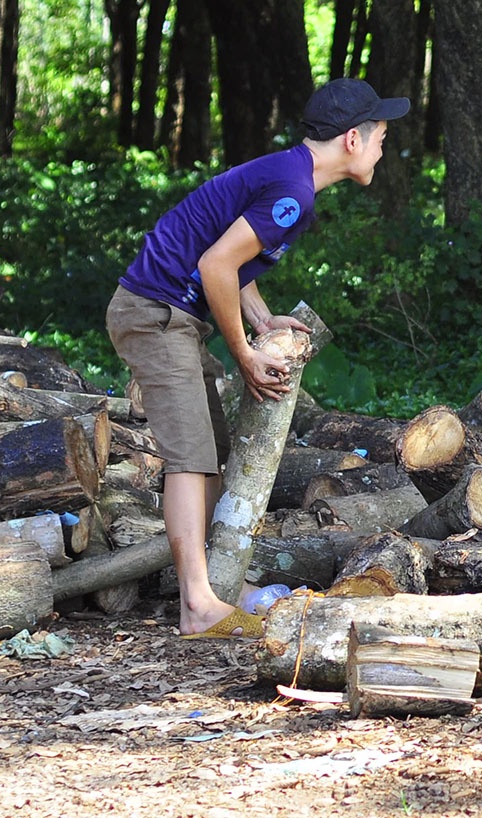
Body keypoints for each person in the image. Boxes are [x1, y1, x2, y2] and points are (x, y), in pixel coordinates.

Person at [106, 79, 410, 639]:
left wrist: (263, 319)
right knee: (191, 458)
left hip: (173, 316)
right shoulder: (294, 191)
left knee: (213, 450)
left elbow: (231, 259)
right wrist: (245, 353)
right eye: (381, 136)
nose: (384, 147)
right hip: (153, 313)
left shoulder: (291, 177)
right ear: (351, 139)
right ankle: (197, 604)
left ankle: (218, 586)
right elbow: (215, 267)